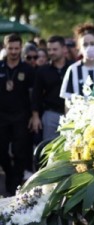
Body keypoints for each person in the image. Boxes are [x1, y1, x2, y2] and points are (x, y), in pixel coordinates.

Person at [0, 34, 35, 195]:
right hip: (2, 117)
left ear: (21, 48)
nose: (13, 52)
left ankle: (15, 185)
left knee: (20, 152)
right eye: (10, 48)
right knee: (1, 152)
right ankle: (9, 175)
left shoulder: (27, 69)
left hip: (21, 117)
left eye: (16, 48)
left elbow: (33, 94)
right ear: (5, 48)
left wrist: (34, 115)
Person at [29, 36, 71, 141]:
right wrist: (35, 117)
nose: (51, 52)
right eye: (49, 50)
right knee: (50, 150)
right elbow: (36, 95)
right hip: (51, 114)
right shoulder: (42, 71)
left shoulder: (74, 68)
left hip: (72, 114)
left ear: (64, 49)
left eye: (55, 49)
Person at [60, 24, 94, 100]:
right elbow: (67, 99)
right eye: (85, 44)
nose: (89, 47)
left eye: (92, 44)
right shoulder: (73, 69)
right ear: (79, 47)